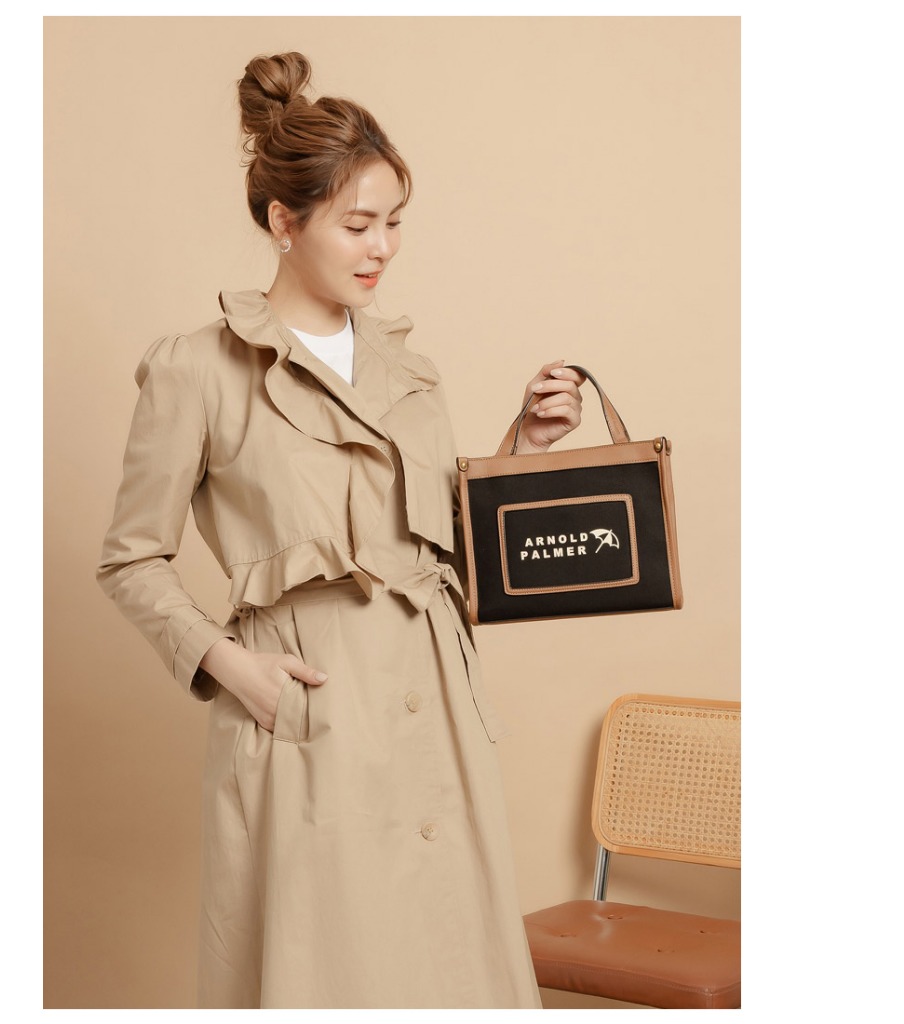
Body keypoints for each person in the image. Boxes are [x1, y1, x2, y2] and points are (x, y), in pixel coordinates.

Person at [97, 51, 584, 1010]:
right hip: (310, 713)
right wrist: (229, 666)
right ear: (285, 222)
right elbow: (130, 559)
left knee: (451, 973)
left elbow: (447, 551)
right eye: (357, 224)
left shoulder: (413, 372)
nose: (382, 248)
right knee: (329, 976)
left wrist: (524, 446)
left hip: (434, 714)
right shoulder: (199, 369)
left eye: (394, 222)